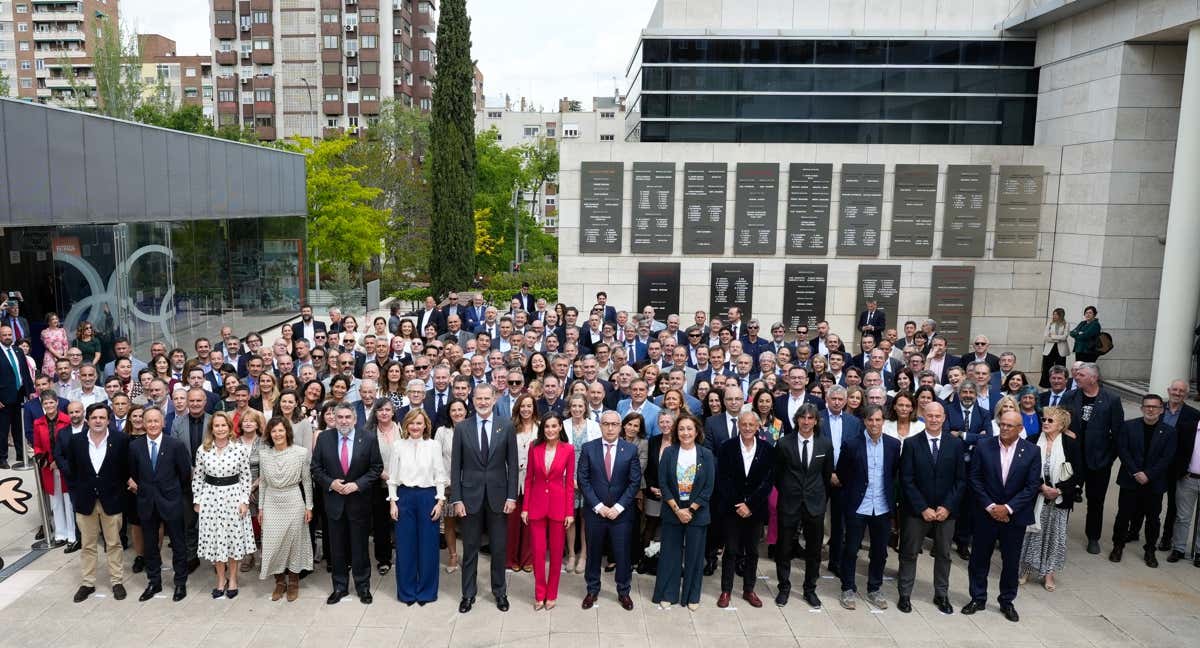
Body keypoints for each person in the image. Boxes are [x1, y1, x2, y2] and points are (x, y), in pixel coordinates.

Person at [962, 409, 1042, 622]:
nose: (1005, 428)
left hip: (1014, 517)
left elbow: (1032, 485)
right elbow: (975, 478)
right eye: (1002, 424)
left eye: (1010, 425)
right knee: (979, 559)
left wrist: (1007, 508)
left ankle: (1007, 601)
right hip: (985, 514)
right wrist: (991, 506)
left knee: (1010, 562)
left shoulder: (1032, 451)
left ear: (1020, 429)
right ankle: (977, 598)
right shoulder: (984, 446)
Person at [449, 383, 519, 614]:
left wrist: (511, 496)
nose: (482, 402)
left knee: (498, 548)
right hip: (469, 498)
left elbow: (513, 466)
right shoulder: (462, 428)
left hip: (499, 498)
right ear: (472, 399)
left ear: (495, 399)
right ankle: (468, 594)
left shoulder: (506, 426)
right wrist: (457, 500)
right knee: (470, 549)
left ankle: (500, 592)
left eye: (487, 398)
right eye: (478, 398)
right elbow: (455, 467)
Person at [310, 402, 384, 605]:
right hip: (334, 504)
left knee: (360, 547)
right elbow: (315, 468)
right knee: (337, 548)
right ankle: (340, 587)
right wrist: (330, 483)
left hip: (358, 503)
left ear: (355, 419)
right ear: (334, 418)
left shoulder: (368, 438)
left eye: (347, 417)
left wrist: (358, 485)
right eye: (339, 417)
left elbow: (376, 468)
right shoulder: (324, 438)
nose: (343, 421)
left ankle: (363, 587)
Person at [896, 401, 964, 615]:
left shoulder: (955, 444)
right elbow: (906, 480)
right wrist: (922, 507)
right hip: (917, 511)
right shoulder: (911, 443)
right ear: (924, 416)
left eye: (938, 416)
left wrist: (947, 506)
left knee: (944, 553)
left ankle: (941, 594)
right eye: (930, 415)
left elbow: (961, 481)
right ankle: (905, 594)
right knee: (909, 553)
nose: (934, 419)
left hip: (946, 511)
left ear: (944, 418)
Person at [62, 403, 128, 602]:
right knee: (87, 544)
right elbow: (71, 469)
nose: (98, 421)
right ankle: (87, 583)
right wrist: (79, 489)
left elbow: (125, 469)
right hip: (85, 501)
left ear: (109, 420)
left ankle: (117, 581)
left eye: (102, 417)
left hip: (112, 500)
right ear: (87, 420)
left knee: (114, 543)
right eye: (94, 418)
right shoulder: (76, 441)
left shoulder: (121, 440)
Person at [837, 404, 900, 610]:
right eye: (870, 420)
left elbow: (893, 474)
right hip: (858, 505)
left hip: (881, 506)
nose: (874, 424)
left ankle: (874, 587)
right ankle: (847, 588)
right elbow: (843, 474)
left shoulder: (893, 444)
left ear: (884, 421)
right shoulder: (851, 444)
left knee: (880, 551)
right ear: (864, 421)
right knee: (851, 549)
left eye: (878, 420)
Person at [578, 410, 642, 611]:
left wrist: (617, 507)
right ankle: (592, 590)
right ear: (600, 425)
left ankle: (624, 592)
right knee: (594, 552)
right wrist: (598, 506)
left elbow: (634, 482)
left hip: (621, 514)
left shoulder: (630, 450)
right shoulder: (589, 448)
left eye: (614, 424)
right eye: (606, 423)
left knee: (622, 555)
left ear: (620, 426)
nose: (610, 428)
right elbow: (583, 479)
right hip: (595, 513)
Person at [127, 407, 192, 602]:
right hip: (147, 502)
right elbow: (134, 473)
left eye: (157, 421)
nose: (153, 425)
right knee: (150, 546)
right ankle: (154, 582)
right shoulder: (135, 447)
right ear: (143, 424)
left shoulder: (175, 445)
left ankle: (180, 583)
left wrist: (174, 493)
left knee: (179, 545)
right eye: (149, 421)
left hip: (171, 501)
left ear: (163, 423)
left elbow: (184, 475)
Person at [1059, 363, 1124, 555]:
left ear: (1093, 378)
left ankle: (1093, 537)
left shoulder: (1111, 399)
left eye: (1081, 375)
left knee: (1096, 501)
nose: (1076, 377)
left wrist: (1109, 458)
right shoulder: (1070, 396)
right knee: (1065, 495)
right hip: (1073, 459)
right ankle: (1060, 532)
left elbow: (1118, 432)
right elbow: (1061, 423)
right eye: (1076, 374)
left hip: (1099, 461)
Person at [386, 408, 449, 606]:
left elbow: (440, 474)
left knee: (429, 547)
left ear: (425, 426)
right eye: (412, 423)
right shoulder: (397, 446)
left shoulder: (433, 446)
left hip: (427, 497)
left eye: (419, 423)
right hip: (404, 497)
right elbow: (392, 476)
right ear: (406, 425)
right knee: (405, 547)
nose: (415, 427)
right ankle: (407, 592)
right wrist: (393, 502)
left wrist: (439, 501)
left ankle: (427, 591)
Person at [652, 413, 715, 610]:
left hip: (698, 512)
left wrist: (691, 509)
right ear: (676, 432)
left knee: (695, 556)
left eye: (689, 429)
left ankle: (691, 595)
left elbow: (708, 487)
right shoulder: (669, 453)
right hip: (673, 510)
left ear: (697, 431)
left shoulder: (706, 454)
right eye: (681, 429)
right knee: (670, 554)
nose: (685, 432)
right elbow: (663, 483)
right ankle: (667, 593)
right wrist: (678, 510)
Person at [774, 403, 833, 609]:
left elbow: (826, 476)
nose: (806, 422)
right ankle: (784, 587)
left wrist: (818, 497)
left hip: (815, 504)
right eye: (803, 418)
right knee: (784, 548)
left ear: (816, 421)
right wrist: (789, 491)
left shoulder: (825, 444)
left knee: (814, 550)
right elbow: (777, 475)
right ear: (797, 419)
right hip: (789, 503)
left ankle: (810, 589)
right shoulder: (783, 444)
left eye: (810, 418)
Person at [192, 411, 256, 598]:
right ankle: (221, 580)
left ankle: (233, 579)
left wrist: (244, 500)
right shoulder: (203, 450)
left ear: (229, 428)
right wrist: (198, 501)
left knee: (232, 540)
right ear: (212, 428)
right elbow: (198, 477)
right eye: (216, 425)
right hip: (210, 499)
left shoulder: (239, 449)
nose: (220, 429)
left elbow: (246, 477)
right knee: (215, 541)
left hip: (233, 498)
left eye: (223, 425)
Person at [1110, 394, 1177, 568]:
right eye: (1147, 406)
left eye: (1154, 407)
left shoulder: (1169, 431)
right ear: (1142, 408)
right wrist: (1136, 472)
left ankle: (1150, 551)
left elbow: (1167, 458)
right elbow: (1123, 451)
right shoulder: (1129, 426)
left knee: (1153, 519)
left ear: (1161, 410)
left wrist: (1148, 475)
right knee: (1123, 515)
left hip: (1154, 483)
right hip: (1130, 480)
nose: (1150, 409)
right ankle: (1118, 546)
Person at [1019, 406, 1081, 591]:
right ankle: (1026, 570)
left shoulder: (1070, 444)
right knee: (1031, 535)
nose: (1045, 423)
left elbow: (1078, 473)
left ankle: (1049, 575)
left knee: (1054, 537)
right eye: (1044, 419)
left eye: (1050, 421)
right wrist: (1041, 486)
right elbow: (1024, 468)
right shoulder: (1032, 441)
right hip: (1036, 497)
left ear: (1061, 425)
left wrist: (1060, 490)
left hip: (1059, 501)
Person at [716, 410, 774, 609]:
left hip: (755, 510)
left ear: (758, 426)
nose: (748, 428)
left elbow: (768, 481)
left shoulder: (767, 449)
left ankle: (749, 589)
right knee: (730, 551)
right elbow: (722, 479)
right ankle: (726, 590)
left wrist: (750, 504)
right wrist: (739, 504)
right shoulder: (727, 447)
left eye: (751, 424)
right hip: (732, 509)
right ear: (739, 425)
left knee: (752, 552)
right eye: (744, 424)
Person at [521, 412, 575, 610]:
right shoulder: (535, 447)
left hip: (558, 506)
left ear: (560, 427)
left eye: (554, 426)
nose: (550, 430)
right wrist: (525, 507)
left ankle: (551, 594)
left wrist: (570, 512)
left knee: (556, 552)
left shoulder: (568, 450)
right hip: (536, 505)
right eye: (547, 427)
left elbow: (569, 484)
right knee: (537, 552)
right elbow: (528, 479)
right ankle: (539, 593)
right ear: (542, 429)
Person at [257, 416, 313, 602]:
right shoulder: (264, 454)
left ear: (287, 432)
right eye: (274, 431)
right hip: (272, 502)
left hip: (294, 501)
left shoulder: (300, 452)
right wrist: (261, 508)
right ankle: (279, 582)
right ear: (269, 434)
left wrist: (309, 506)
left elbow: (306, 481)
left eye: (281, 430)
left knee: (295, 543)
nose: (278, 434)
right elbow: (263, 483)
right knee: (272, 543)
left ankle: (294, 582)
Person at [31, 391, 72, 547]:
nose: (49, 406)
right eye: (45, 403)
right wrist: (45, 460)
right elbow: (37, 445)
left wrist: (59, 461)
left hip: (65, 466)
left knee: (68, 501)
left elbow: (70, 445)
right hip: (48, 468)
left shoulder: (67, 420)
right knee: (55, 502)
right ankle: (60, 533)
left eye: (51, 402)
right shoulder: (38, 423)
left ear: (57, 403)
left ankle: (71, 534)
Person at [435, 399, 469, 574]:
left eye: (460, 409)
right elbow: (436, 458)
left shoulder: (472, 429)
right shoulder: (442, 431)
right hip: (449, 485)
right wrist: (443, 482)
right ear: (449, 413)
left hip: (470, 486)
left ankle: (469, 558)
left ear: (466, 411)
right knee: (449, 523)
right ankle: (453, 555)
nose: (457, 413)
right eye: (453, 410)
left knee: (469, 523)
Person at [0, 324, 35, 469]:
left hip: (20, 395)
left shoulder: (18, 350)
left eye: (10, 334)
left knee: (19, 427)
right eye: (4, 335)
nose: (8, 337)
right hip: (3, 398)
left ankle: (21, 454)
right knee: (2, 430)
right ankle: (2, 458)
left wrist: (30, 391)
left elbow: (25, 374)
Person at [1040, 309, 1069, 388]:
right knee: (1046, 367)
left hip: (1061, 349)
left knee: (1060, 368)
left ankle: (1059, 384)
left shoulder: (1066, 324)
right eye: (1053, 314)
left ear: (1061, 315)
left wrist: (1052, 336)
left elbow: (1065, 337)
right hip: (1049, 348)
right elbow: (1046, 337)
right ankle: (1046, 385)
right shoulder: (1049, 323)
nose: (1054, 316)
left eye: (1056, 314)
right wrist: (1057, 338)